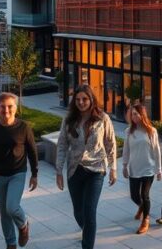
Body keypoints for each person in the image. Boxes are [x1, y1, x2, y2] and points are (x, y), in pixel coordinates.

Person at [55, 85, 117, 249]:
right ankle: (87, 231)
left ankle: (87, 244)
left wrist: (113, 168)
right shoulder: (68, 120)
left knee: (90, 212)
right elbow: (62, 145)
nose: (81, 102)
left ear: (91, 100)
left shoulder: (102, 118)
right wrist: (58, 171)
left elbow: (110, 143)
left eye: (85, 99)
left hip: (96, 170)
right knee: (78, 212)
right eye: (78, 99)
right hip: (75, 170)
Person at [0, 92, 38, 249]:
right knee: (4, 213)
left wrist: (35, 174)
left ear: (16, 108)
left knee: (11, 207)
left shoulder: (24, 127)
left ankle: (23, 224)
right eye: (2, 107)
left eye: (10, 106)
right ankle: (10, 244)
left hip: (17, 173)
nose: (6, 110)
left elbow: (32, 151)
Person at [122, 102, 162, 235]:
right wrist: (124, 165)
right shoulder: (128, 131)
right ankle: (142, 207)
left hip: (148, 168)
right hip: (134, 168)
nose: (133, 116)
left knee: (145, 195)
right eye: (132, 114)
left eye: (135, 114)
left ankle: (146, 219)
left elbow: (157, 151)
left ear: (142, 115)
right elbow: (126, 150)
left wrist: (159, 170)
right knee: (134, 196)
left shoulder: (151, 131)